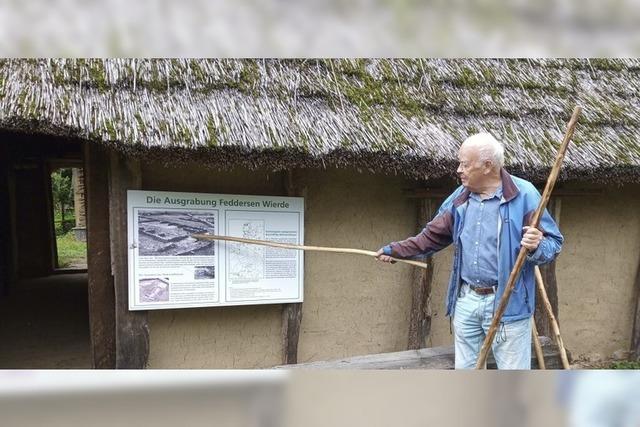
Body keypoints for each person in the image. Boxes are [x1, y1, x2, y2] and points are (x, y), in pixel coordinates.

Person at [376, 132, 563, 369]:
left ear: (487, 166)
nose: (458, 170)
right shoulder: (460, 198)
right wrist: (396, 251)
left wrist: (537, 245)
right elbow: (430, 237)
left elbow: (553, 244)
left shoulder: (524, 196)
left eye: (465, 164)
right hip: (467, 300)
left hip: (508, 303)